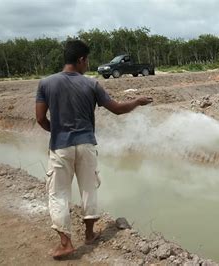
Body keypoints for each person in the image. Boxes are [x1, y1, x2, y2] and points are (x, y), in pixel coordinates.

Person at [35, 40, 152, 259]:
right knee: (89, 189)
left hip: (61, 146)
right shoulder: (91, 85)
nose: (88, 64)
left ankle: (66, 243)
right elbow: (117, 109)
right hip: (87, 144)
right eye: (87, 60)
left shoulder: (46, 83)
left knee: (59, 194)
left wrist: (57, 131)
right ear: (81, 60)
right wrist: (137, 101)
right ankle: (89, 235)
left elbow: (40, 119)